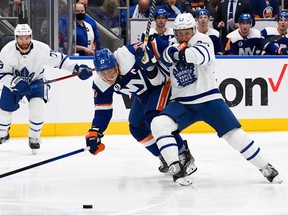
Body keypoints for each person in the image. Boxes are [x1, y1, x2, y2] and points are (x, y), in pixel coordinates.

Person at [148, 13, 282, 185]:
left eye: (186, 33)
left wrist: (176, 54)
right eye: (179, 33)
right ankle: (176, 167)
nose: (183, 36)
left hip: (209, 99)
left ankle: (266, 167)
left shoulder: (203, 40)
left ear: (194, 29)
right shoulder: (171, 47)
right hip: (182, 103)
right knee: (158, 124)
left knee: (235, 136)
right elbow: (158, 78)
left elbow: (199, 56)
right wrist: (149, 66)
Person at [83, 44, 197, 176]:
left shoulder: (126, 55)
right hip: (143, 95)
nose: (109, 77)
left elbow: (155, 45)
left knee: (153, 118)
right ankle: (164, 156)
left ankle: (183, 154)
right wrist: (95, 132)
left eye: (111, 71)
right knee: (137, 127)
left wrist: (147, 52)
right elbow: (103, 111)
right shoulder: (100, 84)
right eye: (103, 73)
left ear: (116, 63)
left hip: (161, 84)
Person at [0, 24, 93, 153]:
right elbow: (2, 74)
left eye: (27, 38)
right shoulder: (6, 51)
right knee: (3, 115)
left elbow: (60, 60)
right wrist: (16, 82)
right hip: (13, 84)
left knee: (37, 108)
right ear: (16, 38)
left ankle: (34, 138)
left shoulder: (41, 49)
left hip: (36, 81)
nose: (24, 42)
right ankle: (3, 133)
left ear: (31, 37)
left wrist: (77, 68)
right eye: (21, 38)